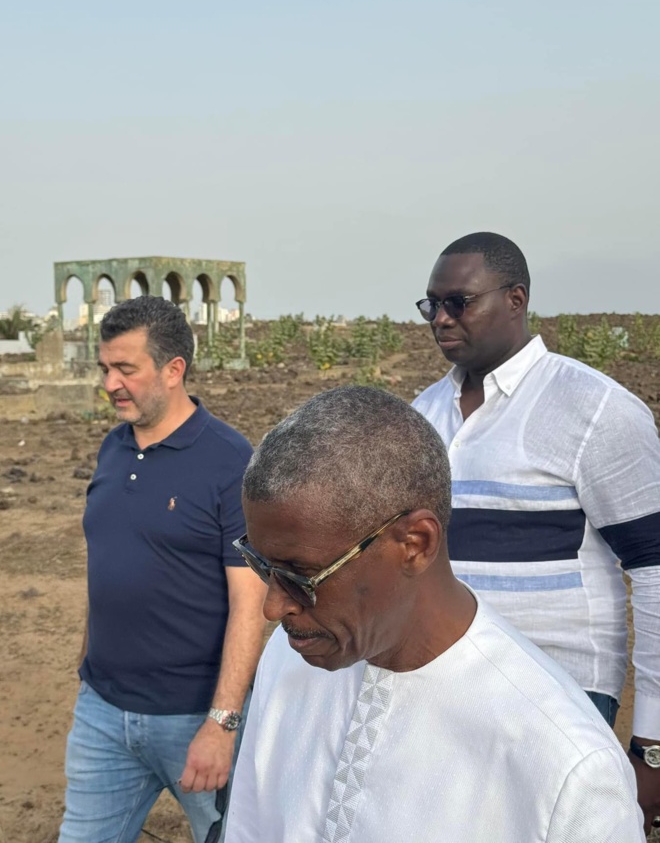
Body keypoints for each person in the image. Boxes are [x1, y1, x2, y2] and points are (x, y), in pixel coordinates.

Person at [223, 386, 645, 842]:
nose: (273, 606)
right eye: (261, 565)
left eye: (302, 575)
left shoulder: (566, 765)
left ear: (415, 545)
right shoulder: (289, 662)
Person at [412, 231, 660, 834]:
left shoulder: (593, 408)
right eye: (431, 305)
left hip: (560, 699)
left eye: (458, 303)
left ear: (516, 300)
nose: (441, 319)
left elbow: (655, 571)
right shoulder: (422, 414)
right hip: (443, 695)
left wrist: (652, 743)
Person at [58, 296, 267, 843]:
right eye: (105, 368)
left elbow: (251, 604)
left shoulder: (229, 462)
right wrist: (89, 658)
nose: (110, 383)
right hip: (102, 712)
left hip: (192, 718)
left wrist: (222, 725)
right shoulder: (112, 449)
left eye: (126, 369)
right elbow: (110, 564)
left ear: (174, 370)